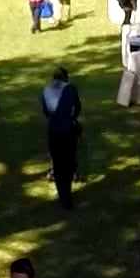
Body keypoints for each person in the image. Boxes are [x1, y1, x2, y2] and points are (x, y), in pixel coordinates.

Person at [40, 66, 84, 211]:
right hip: (68, 130)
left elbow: (46, 112)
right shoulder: (70, 88)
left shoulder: (46, 90)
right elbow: (77, 107)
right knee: (68, 161)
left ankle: (61, 194)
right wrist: (71, 118)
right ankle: (67, 193)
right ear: (65, 77)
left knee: (58, 163)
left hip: (53, 131)